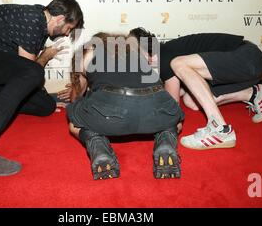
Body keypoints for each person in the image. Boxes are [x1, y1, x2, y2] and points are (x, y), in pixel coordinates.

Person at [0, 0, 84, 176]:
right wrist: (45, 56)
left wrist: (45, 97)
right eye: (69, 28)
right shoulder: (32, 20)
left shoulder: (38, 24)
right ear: (60, 19)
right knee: (33, 73)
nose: (67, 34)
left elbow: (23, 78)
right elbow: (29, 71)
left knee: (45, 106)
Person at [58, 33, 184, 180]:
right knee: (176, 119)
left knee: (74, 118)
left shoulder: (84, 53)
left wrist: (76, 94)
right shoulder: (131, 49)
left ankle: (95, 140)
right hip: (156, 103)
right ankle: (166, 138)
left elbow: (77, 96)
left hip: (112, 110)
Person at [129, 28, 262, 151]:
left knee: (178, 64)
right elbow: (177, 91)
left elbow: (172, 108)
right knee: (191, 100)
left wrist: (165, 128)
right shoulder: (166, 55)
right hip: (248, 64)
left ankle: (220, 130)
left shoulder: (165, 56)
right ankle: (252, 93)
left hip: (247, 57)